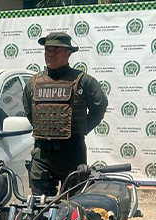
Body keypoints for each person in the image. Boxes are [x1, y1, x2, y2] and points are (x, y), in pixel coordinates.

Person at [23, 32, 108, 196]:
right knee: (39, 206)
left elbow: (99, 108)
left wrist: (81, 129)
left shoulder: (84, 81)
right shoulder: (33, 83)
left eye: (56, 50)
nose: (50, 54)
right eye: (47, 50)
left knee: (74, 205)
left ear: (69, 53)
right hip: (42, 155)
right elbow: (30, 112)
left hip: (72, 153)